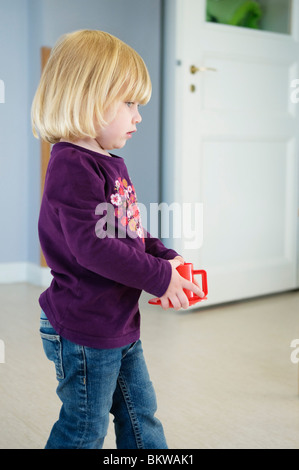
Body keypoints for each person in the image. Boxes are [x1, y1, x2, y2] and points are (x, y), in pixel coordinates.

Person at [31, 29, 204, 449]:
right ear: (86, 98)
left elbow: (128, 230)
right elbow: (94, 247)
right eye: (129, 103)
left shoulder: (110, 163)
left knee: (139, 412)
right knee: (84, 429)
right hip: (84, 329)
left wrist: (167, 257)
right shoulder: (71, 166)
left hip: (119, 322)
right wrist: (158, 276)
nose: (138, 116)